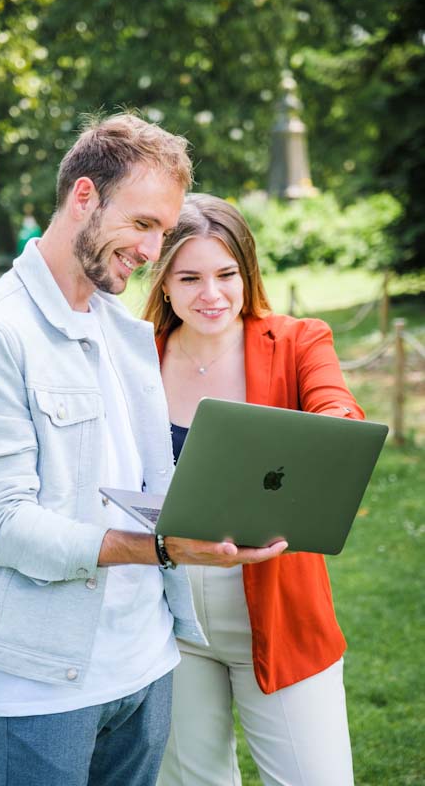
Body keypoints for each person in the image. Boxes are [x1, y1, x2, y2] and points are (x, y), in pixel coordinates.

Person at [0, 116, 286, 786]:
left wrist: (232, 502)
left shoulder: (123, 331)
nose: (154, 251)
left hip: (146, 663)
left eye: (164, 231)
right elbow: (5, 527)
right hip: (42, 683)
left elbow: (150, 481)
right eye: (144, 224)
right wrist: (159, 547)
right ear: (84, 196)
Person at [143, 193, 363, 786]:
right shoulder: (135, 353)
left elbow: (334, 402)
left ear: (248, 272)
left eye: (225, 274)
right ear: (163, 282)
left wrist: (333, 430)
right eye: (189, 277)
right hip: (166, 615)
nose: (210, 294)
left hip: (280, 606)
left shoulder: (297, 340)